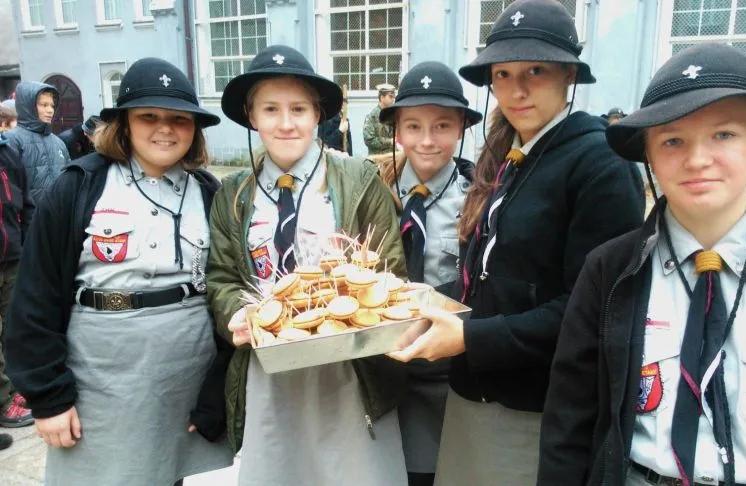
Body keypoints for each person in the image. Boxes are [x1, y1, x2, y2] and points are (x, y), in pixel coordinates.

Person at [387, 0, 645, 484]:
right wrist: (435, 304)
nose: (516, 89)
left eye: (536, 71)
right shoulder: (514, 156)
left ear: (570, 74)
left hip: (533, 409)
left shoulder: (599, 164)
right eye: (502, 74)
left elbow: (593, 310)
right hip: (475, 393)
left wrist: (469, 337)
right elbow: (494, 278)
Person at [539, 43, 746, 486]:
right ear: (649, 155)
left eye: (724, 135)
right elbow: (570, 420)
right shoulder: (609, 271)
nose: (697, 160)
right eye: (673, 140)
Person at [4, 58, 234, 485]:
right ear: (124, 123)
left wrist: (217, 389)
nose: (165, 129)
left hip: (186, 379)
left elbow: (225, 291)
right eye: (149, 116)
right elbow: (35, 296)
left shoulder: (207, 192)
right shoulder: (79, 186)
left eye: (179, 119)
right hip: (100, 380)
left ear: (194, 129)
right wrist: (49, 398)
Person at [208, 44, 408, 486]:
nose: (286, 123)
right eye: (271, 109)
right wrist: (235, 313)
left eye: (298, 108)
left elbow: (391, 272)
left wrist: (355, 293)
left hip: (348, 371)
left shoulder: (359, 180)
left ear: (317, 114)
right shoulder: (233, 195)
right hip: (269, 371)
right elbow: (221, 276)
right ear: (251, 116)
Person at [376, 61, 482, 486]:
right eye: (413, 126)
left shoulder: (479, 198)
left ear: (461, 129)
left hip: (442, 372)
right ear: (397, 132)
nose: (426, 140)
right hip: (377, 368)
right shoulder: (372, 189)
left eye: (442, 126)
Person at [0, 131, 35, 432]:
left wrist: (28, 245)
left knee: (13, 327)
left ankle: (13, 388)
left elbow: (25, 202)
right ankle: (3, 402)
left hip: (11, 255)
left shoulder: (8, 154)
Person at [4, 81, 68, 205]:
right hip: (30, 215)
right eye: (44, 105)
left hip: (59, 213)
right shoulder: (12, 140)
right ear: (28, 106)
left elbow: (68, 180)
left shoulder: (59, 142)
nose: (50, 110)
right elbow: (9, 190)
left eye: (52, 106)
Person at [364, 83, 396, 155]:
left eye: (394, 97)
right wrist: (389, 142)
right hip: (377, 158)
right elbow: (369, 140)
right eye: (390, 97)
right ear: (382, 97)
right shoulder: (372, 116)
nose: (393, 100)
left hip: (392, 157)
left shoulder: (393, 115)